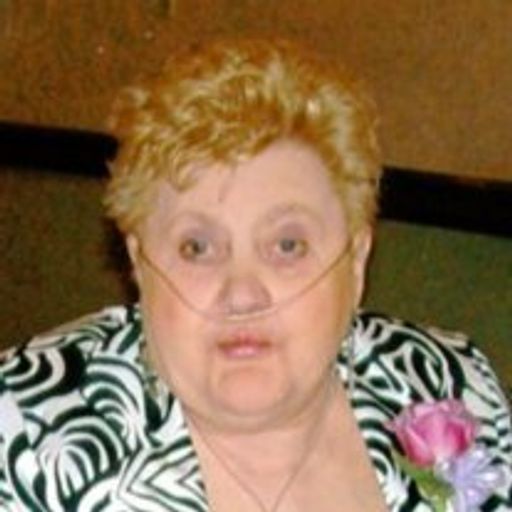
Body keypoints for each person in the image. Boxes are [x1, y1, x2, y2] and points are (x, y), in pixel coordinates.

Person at [0, 38, 510, 512]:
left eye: (287, 246)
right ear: (138, 263)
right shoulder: (24, 430)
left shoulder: (447, 381)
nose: (243, 294)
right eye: (197, 248)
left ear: (355, 260)